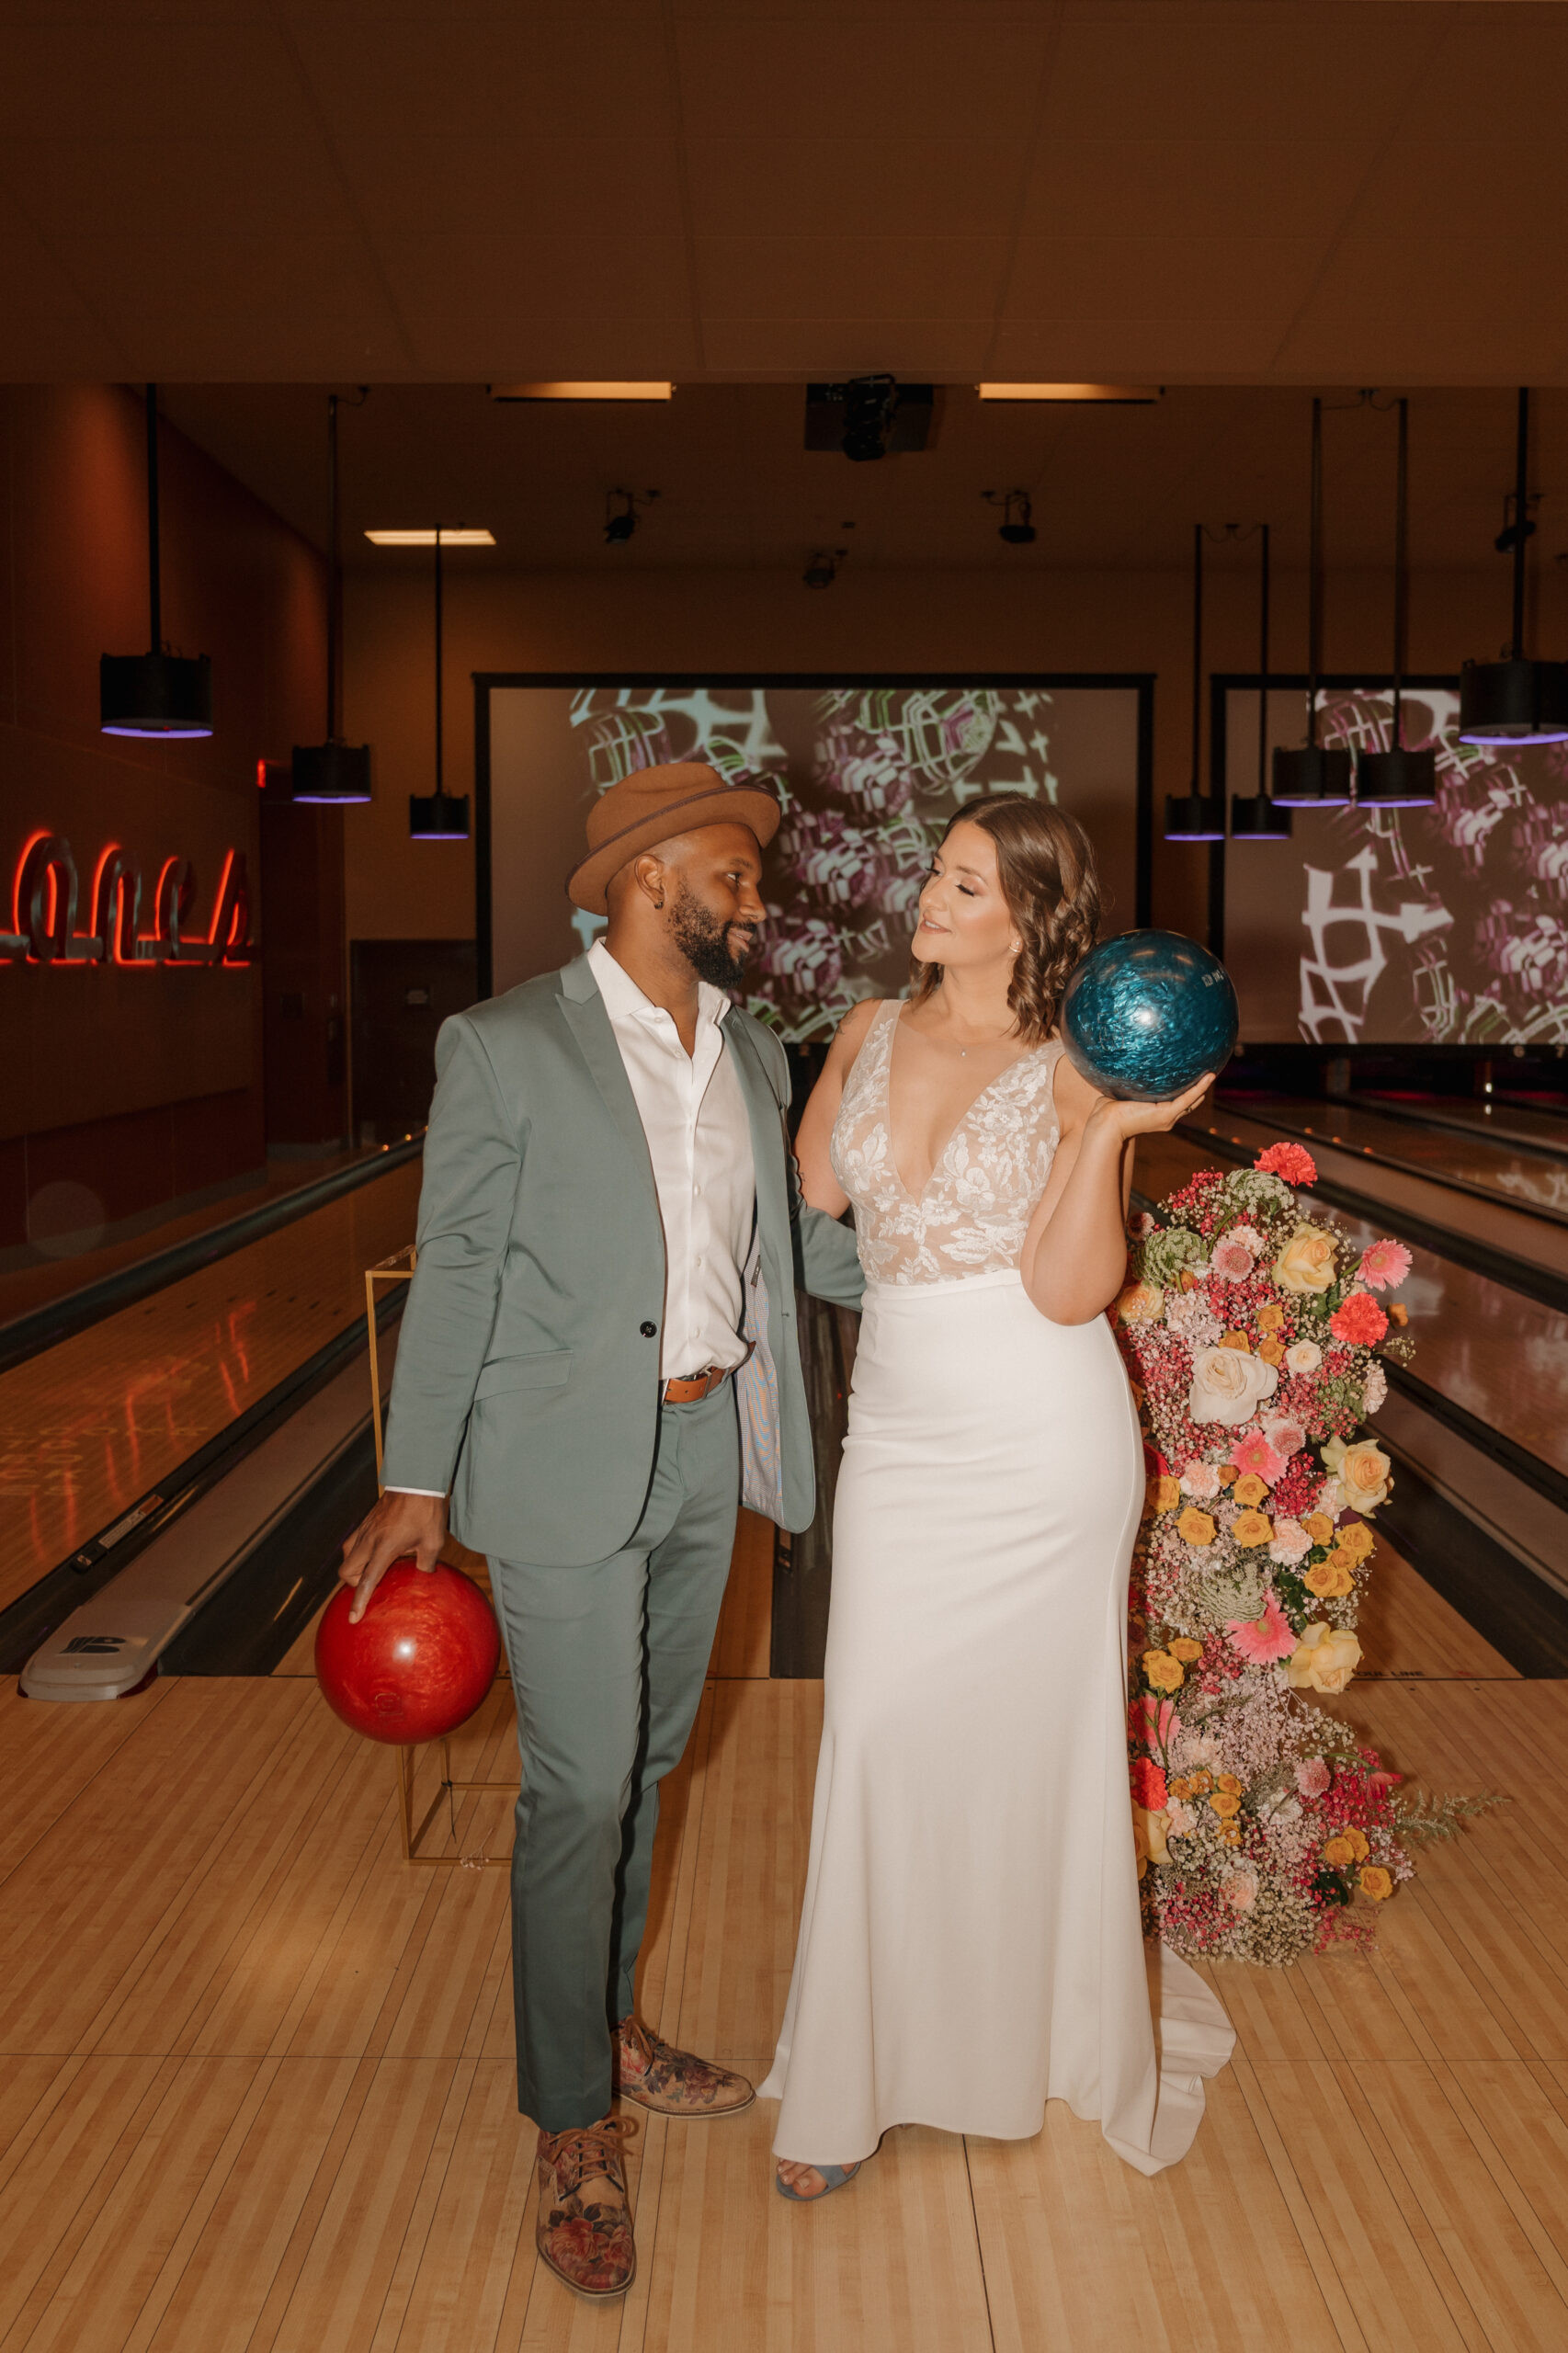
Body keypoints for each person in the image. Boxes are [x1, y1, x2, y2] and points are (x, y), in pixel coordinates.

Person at [337, 762, 864, 2301]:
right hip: (565, 1464)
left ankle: (610, 2029)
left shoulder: (754, 1054)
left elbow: (807, 1255)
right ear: (647, 878)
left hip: (707, 1447)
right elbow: (461, 1269)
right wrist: (416, 1478)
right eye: (734, 875)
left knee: (643, 1765)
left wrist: (991, 1292)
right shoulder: (503, 1048)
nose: (755, 903)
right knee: (574, 1789)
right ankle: (571, 2118)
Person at [759, 794, 1235, 2201]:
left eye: (964, 884)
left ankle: (1018, 2034)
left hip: (1040, 1437)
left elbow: (1066, 1288)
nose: (929, 897)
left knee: (1030, 1747)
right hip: (903, 1431)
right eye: (934, 874)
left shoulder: (1073, 1067)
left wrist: (1102, 1138)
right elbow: (821, 1196)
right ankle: (857, 2067)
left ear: (1026, 918)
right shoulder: (861, 1028)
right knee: (880, 1728)